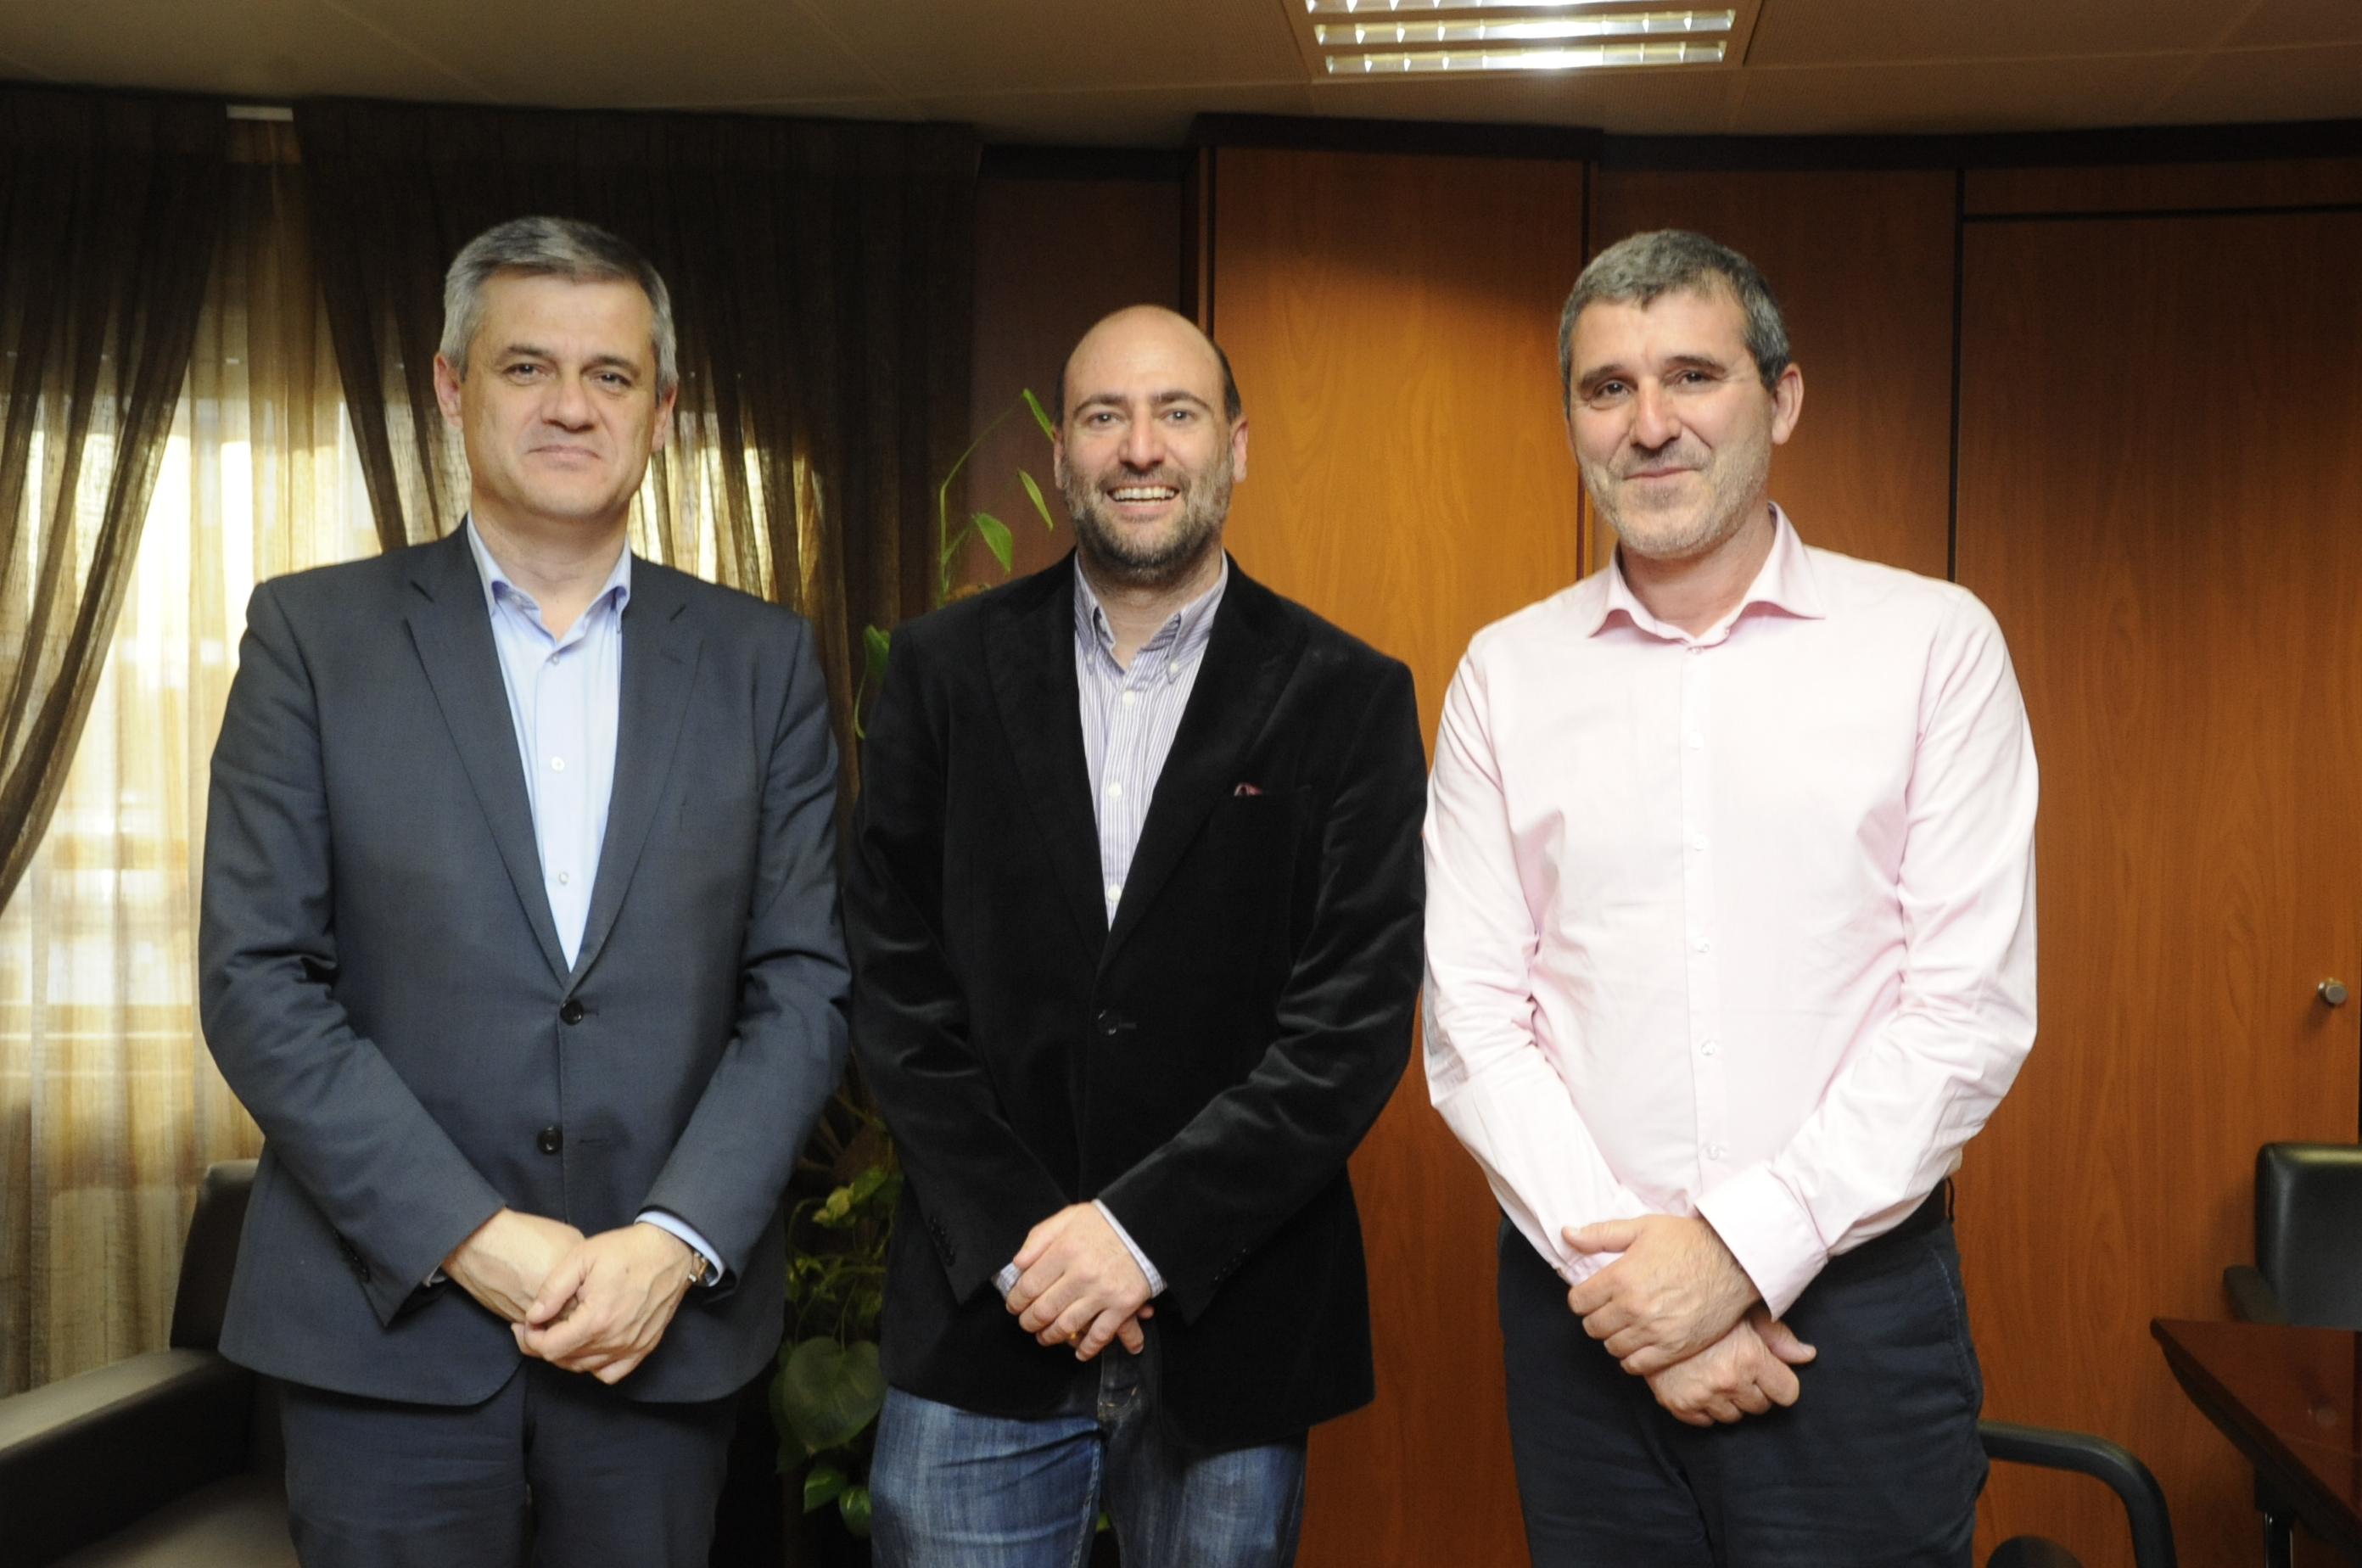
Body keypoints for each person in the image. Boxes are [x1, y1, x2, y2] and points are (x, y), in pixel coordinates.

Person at [199, 216, 848, 1566]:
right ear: (451, 388)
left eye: (611, 375)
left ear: (664, 410)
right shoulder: (312, 638)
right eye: (526, 367)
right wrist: (474, 1238)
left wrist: (670, 1242)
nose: (570, 405)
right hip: (384, 1339)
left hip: (656, 1339)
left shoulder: (763, 663)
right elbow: (259, 982)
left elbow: (802, 988)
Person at [1422, 229, 2038, 1565]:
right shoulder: (1504, 676)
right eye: (1608, 388)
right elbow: (1473, 1021)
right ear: (1575, 421)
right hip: (1585, 1322)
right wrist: (1641, 1296)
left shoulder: (1933, 647)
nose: (1650, 424)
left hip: (1854, 1322)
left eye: (1693, 376)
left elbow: (1965, 1015)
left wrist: (1735, 1258)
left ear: (1783, 398)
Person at [845, 305, 1427, 1568]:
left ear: (1237, 445)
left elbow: (1350, 1025)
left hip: (1234, 1324)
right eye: (1104, 416)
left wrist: (1141, 1235)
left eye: (1177, 413)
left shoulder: (1350, 696)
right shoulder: (941, 673)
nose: (1141, 448)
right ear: (1061, 455)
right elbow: (893, 985)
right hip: (983, 1314)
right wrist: (1028, 1244)